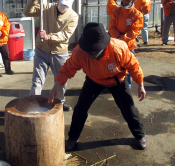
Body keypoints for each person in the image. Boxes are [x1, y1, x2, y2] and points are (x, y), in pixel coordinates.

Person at [48, 22, 147, 151]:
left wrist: (140, 84)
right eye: (89, 50)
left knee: (129, 108)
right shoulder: (80, 51)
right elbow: (68, 68)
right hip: (94, 80)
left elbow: (133, 65)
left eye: (94, 50)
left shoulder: (119, 48)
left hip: (117, 80)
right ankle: (72, 138)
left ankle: (140, 135)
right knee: (80, 109)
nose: (91, 53)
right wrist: (57, 84)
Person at [23, 0, 78, 111]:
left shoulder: (73, 16)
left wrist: (48, 36)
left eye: (67, 4)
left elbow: (65, 35)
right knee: (37, 80)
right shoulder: (46, 7)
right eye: (62, 3)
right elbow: (27, 12)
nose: (64, 6)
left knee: (61, 80)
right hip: (41, 50)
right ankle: (33, 103)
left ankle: (60, 102)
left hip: (60, 52)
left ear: (72, 2)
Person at [109, 0, 143, 89]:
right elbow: (111, 27)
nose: (126, 2)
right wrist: (117, 37)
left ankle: (127, 86)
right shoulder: (116, 11)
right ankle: (115, 84)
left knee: (129, 66)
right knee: (115, 65)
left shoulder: (137, 14)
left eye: (128, 0)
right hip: (116, 43)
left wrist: (122, 38)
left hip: (129, 44)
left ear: (133, 0)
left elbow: (135, 30)